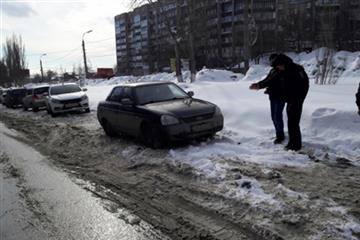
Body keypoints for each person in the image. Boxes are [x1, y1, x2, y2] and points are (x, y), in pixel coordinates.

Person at [271, 54, 309, 151]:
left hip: (296, 100)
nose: (278, 68)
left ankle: (295, 145)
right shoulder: (286, 70)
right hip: (290, 100)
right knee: (291, 122)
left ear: (283, 63)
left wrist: (299, 99)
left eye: (278, 66)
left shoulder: (296, 70)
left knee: (293, 123)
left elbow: (304, 85)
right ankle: (292, 143)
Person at [249, 53, 286, 144]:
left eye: (273, 61)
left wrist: (259, 86)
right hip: (272, 96)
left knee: (277, 116)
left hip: (281, 97)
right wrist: (259, 84)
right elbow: (267, 80)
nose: (272, 63)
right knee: (273, 116)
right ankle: (278, 133)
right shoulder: (273, 70)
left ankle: (280, 136)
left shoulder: (282, 70)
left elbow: (270, 81)